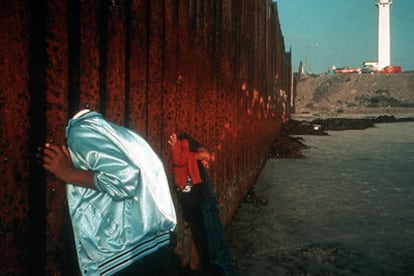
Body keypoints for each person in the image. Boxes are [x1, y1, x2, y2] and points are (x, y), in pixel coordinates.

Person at [42, 109, 177, 275]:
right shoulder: (128, 137)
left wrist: (68, 172)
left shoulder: (80, 131)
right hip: (154, 245)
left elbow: (126, 180)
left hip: (122, 256)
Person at [168, 133, 236, 276]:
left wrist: (181, 153)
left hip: (203, 198)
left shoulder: (184, 139)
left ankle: (225, 272)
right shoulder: (175, 148)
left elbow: (205, 155)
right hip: (188, 202)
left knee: (214, 243)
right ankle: (195, 266)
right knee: (200, 237)